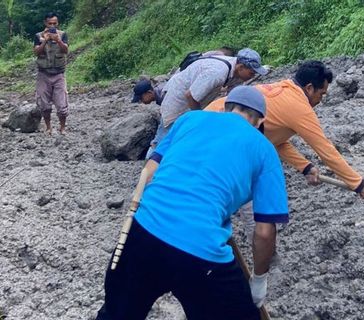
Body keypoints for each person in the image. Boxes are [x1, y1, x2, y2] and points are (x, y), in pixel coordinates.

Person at [96, 86, 288, 320]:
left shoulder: (190, 119)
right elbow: (265, 232)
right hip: (201, 251)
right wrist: (259, 279)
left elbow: (150, 172)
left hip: (141, 233)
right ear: (260, 122)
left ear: (226, 108)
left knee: (117, 314)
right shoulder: (265, 150)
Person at [205, 61, 364, 238]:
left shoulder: (285, 91)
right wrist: (359, 184)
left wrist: (305, 167)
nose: (321, 100)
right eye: (321, 94)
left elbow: (274, 139)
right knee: (251, 209)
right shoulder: (299, 107)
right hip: (218, 140)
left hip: (210, 128)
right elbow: (326, 150)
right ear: (309, 88)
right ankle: (265, 259)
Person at [153, 48, 267, 149]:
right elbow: (190, 96)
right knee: (165, 137)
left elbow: (233, 99)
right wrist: (200, 119)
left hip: (194, 98)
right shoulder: (217, 72)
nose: (252, 77)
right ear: (241, 67)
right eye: (251, 73)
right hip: (178, 97)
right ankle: (149, 167)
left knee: (187, 136)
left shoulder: (237, 74)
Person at [33, 12, 69, 135]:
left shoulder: (63, 35)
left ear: (57, 23)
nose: (52, 26)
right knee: (44, 104)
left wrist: (58, 41)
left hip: (59, 74)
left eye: (55, 23)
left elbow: (66, 50)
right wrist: (45, 41)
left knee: (61, 104)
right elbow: (36, 52)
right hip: (43, 74)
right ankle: (48, 127)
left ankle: (62, 128)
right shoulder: (38, 36)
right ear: (45, 23)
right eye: (50, 23)